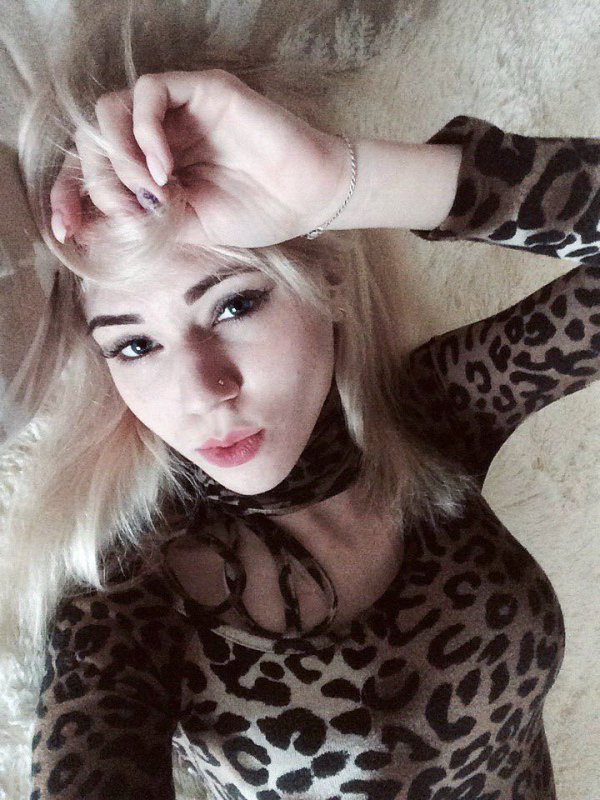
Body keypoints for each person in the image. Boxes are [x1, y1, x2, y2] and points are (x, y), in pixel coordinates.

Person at [1, 6, 598, 800]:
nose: (203, 391)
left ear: (332, 280)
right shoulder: (127, 601)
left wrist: (339, 182)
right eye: (134, 345)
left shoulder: (428, 415)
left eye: (235, 305)